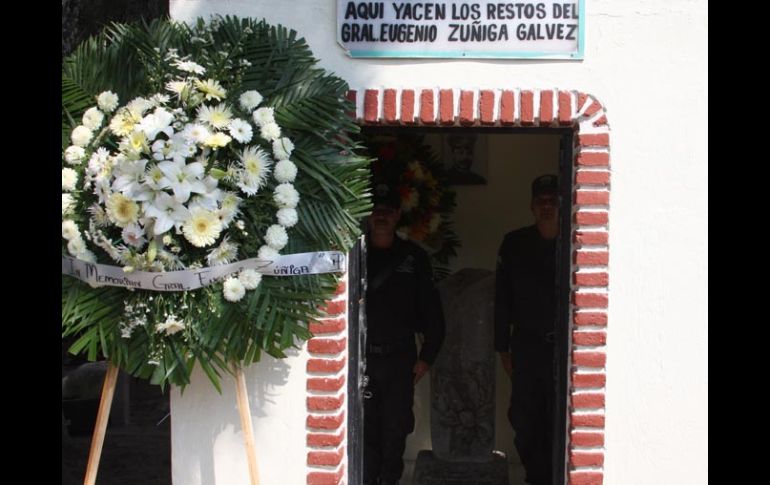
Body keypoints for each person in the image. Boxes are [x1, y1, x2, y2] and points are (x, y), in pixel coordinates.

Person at [364, 182, 446, 485]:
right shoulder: (356, 255)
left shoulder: (413, 257)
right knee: (365, 431)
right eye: (376, 211)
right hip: (364, 357)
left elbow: (431, 311)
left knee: (395, 430)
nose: (381, 217)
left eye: (387, 211)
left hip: (400, 359)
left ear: (398, 214)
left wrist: (427, 356)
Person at [494, 174, 560, 485]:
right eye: (540, 202)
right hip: (526, 347)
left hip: (564, 349)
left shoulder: (576, 241)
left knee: (558, 419)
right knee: (524, 417)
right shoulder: (515, 244)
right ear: (532, 207)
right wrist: (502, 348)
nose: (546, 207)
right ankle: (536, 478)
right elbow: (502, 298)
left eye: (552, 201)